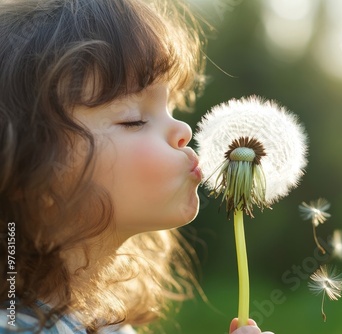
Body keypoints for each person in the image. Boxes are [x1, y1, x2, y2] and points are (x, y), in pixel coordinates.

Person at [0, 0, 273, 333]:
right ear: (26, 169)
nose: (183, 130)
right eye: (135, 120)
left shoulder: (108, 325)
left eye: (170, 107)